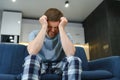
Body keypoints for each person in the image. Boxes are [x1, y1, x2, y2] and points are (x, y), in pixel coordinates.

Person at [22, 8, 82, 80]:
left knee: (75, 60)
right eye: (49, 27)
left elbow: (70, 53)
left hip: (59, 66)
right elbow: (32, 52)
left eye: (56, 27)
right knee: (31, 58)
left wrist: (61, 28)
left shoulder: (66, 35)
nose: (53, 30)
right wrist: (44, 27)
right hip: (41, 66)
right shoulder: (34, 34)